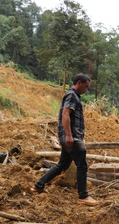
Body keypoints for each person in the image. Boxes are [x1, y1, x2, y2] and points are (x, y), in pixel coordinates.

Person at [31, 73, 98, 206]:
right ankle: (83, 196)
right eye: (86, 86)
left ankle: (38, 185)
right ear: (79, 83)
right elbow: (65, 113)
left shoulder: (74, 96)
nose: (86, 89)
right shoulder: (72, 95)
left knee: (62, 165)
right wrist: (69, 135)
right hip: (72, 137)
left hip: (70, 136)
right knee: (82, 165)